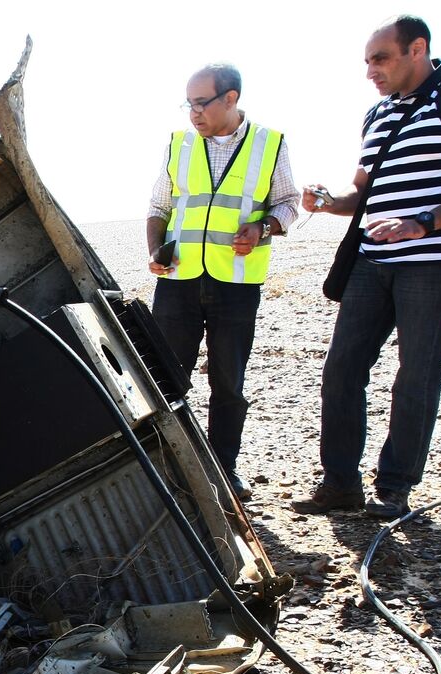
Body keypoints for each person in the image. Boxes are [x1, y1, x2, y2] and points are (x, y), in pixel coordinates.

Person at [293, 14, 441, 518]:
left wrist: (425, 222)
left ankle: (394, 489)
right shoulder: (378, 115)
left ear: (418, 48)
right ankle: (340, 484)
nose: (371, 70)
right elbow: (363, 193)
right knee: (343, 368)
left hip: (434, 261)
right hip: (374, 261)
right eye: (367, 61)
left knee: (417, 373)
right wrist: (329, 200)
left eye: (380, 58)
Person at [147, 64, 297, 500]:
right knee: (166, 376)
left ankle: (223, 468)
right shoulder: (179, 144)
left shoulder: (270, 144)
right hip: (179, 282)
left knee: (228, 382)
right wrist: (156, 248)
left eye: (201, 102)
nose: (192, 113)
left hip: (236, 285)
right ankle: (166, 465)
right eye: (188, 104)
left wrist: (263, 228)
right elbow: (159, 204)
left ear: (230, 99)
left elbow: (289, 204)